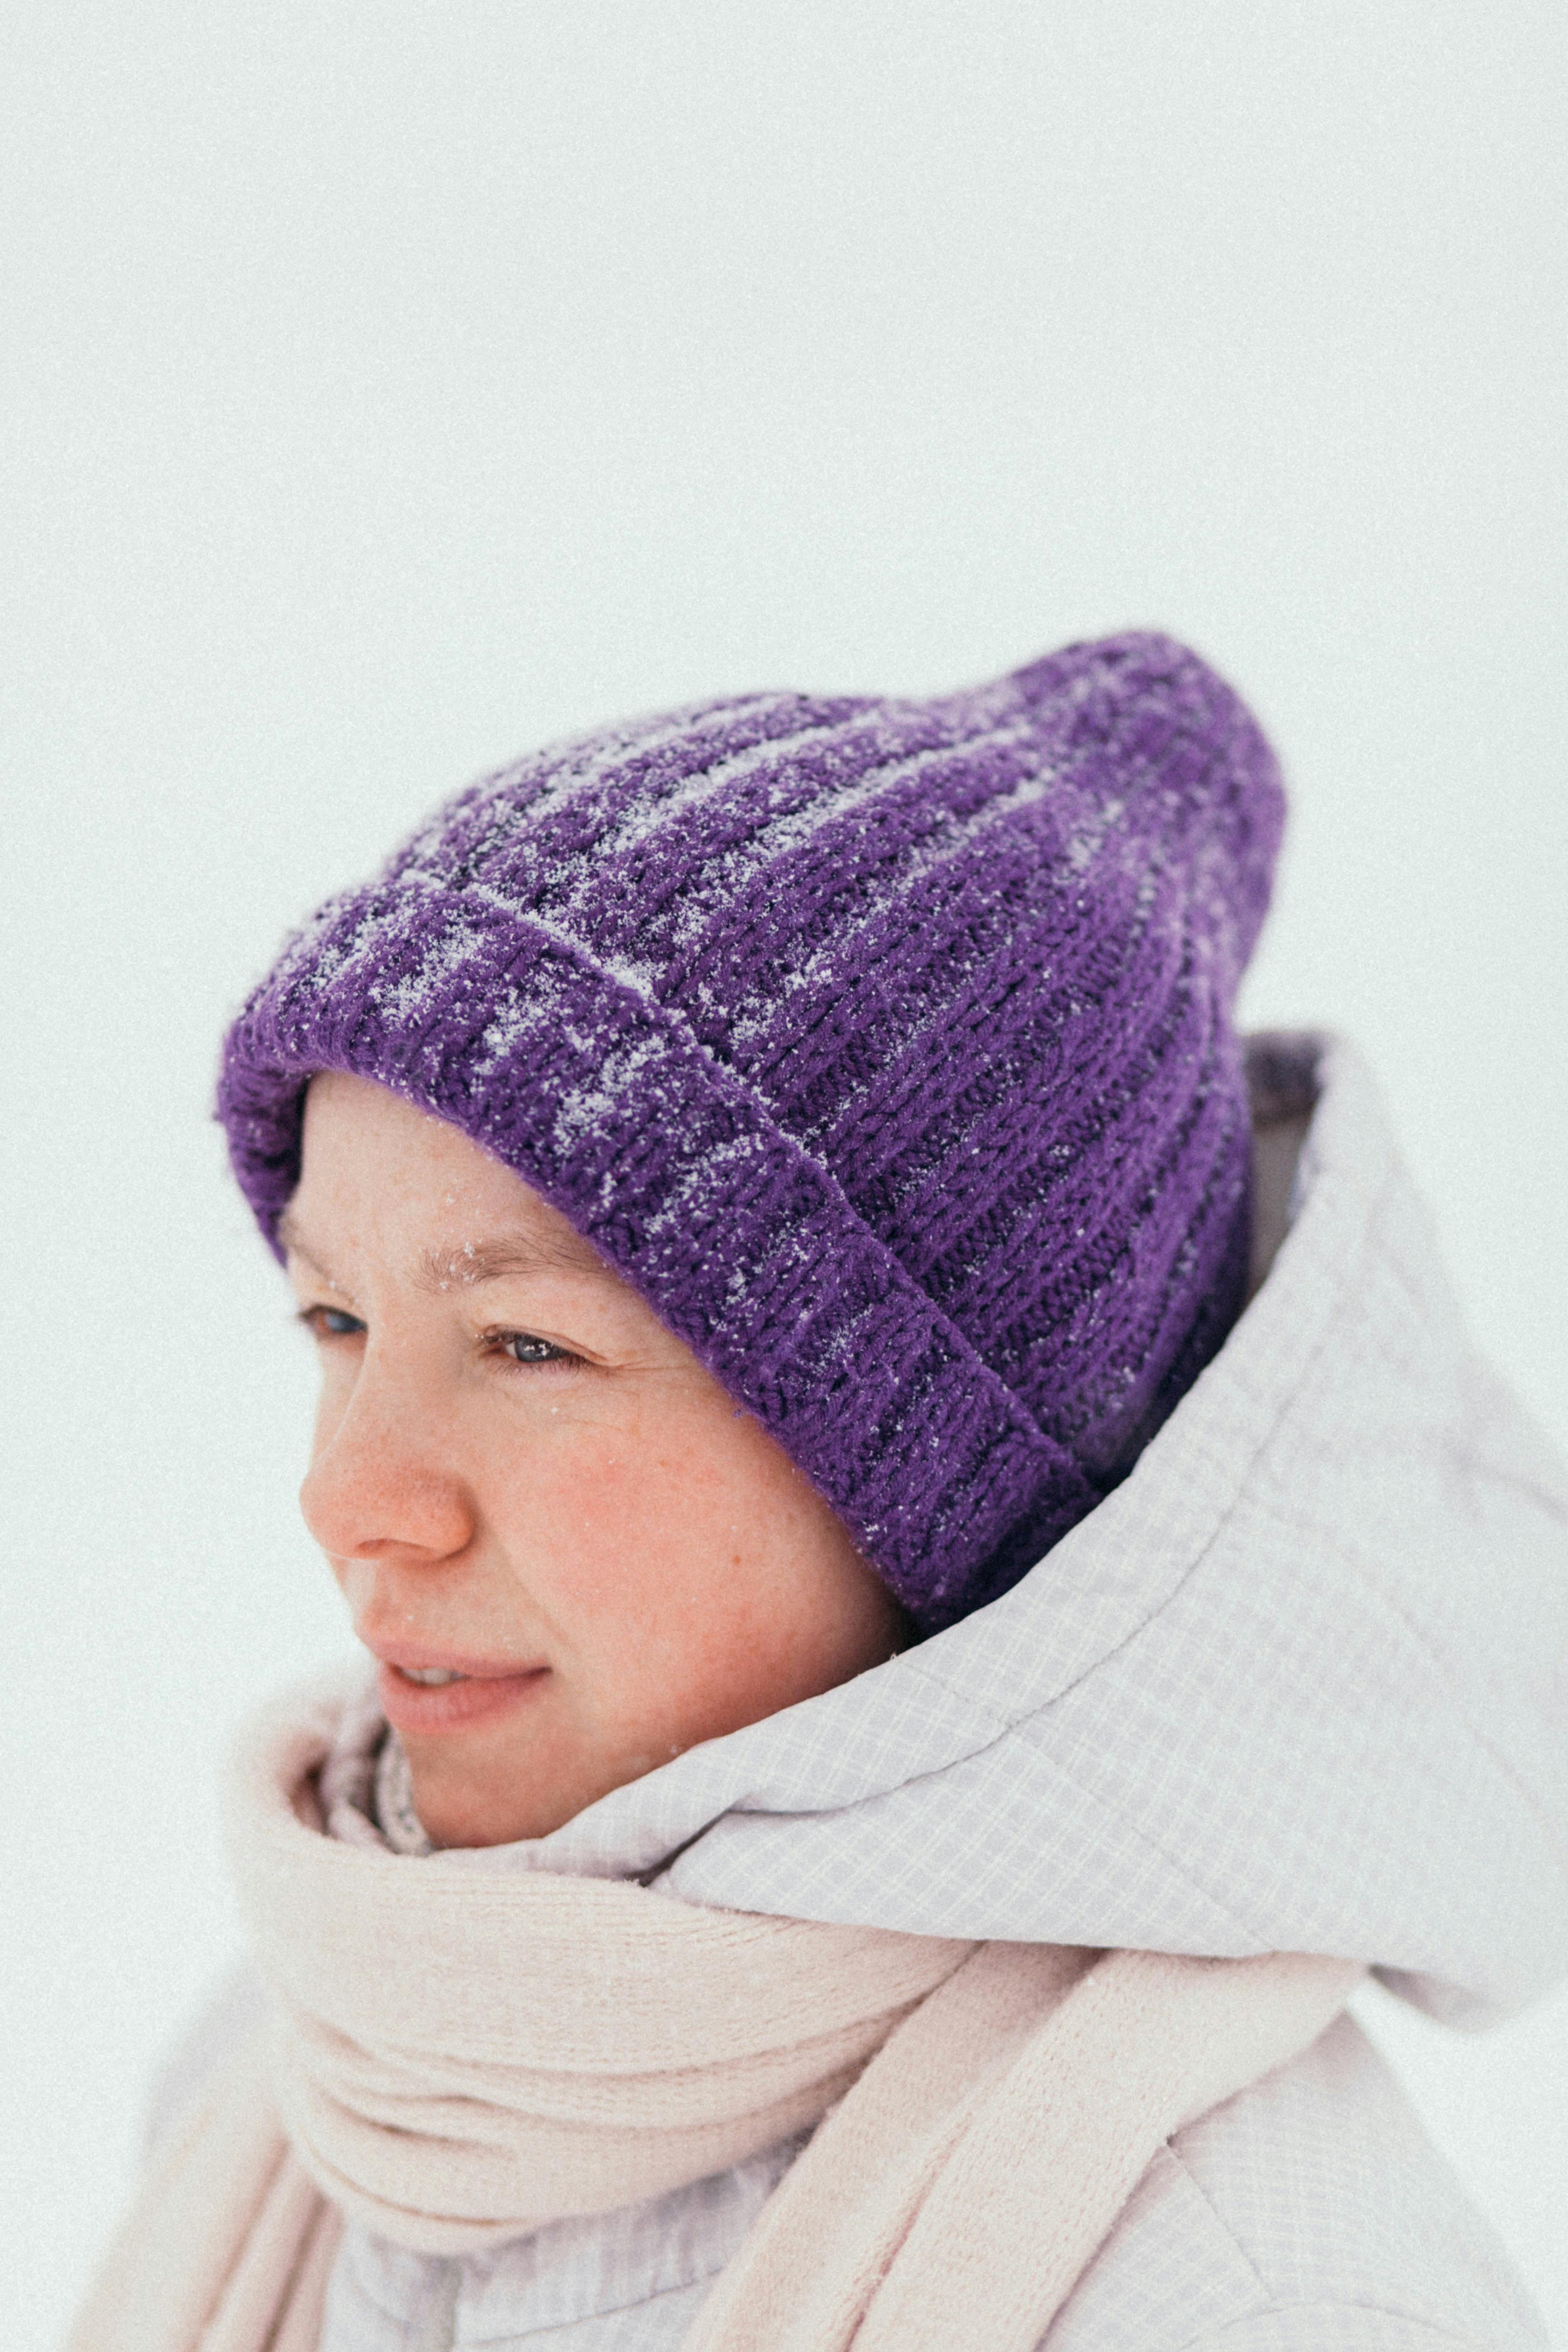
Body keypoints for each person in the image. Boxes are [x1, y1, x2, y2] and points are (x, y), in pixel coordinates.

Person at [68, 632, 1566, 2351]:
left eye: (527, 1347)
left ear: (923, 1470)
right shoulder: (297, 2082)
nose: (351, 1500)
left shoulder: (1249, 2296)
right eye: (337, 1318)